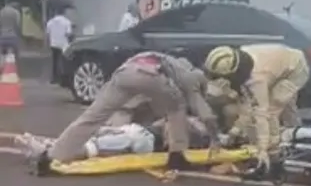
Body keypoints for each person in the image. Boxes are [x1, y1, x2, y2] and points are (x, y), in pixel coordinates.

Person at [34, 52, 221, 177]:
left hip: (124, 73)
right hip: (153, 77)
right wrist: (215, 138)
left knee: (92, 117)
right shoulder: (190, 77)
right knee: (177, 107)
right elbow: (205, 114)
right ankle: (177, 156)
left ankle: (51, 157)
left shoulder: (165, 60)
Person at [203, 44, 310, 173]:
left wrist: (262, 149)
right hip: (282, 65)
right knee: (285, 110)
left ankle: (272, 158)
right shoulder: (238, 61)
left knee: (272, 110)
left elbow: (260, 114)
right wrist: (235, 131)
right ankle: (301, 144)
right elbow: (247, 106)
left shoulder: (256, 79)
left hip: (295, 71)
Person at [45, 8, 73, 84]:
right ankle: (63, 79)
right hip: (63, 45)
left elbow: (47, 34)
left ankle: (54, 78)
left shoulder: (50, 22)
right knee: (63, 61)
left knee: (55, 61)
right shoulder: (67, 22)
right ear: (63, 13)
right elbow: (69, 34)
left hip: (53, 44)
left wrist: (48, 44)